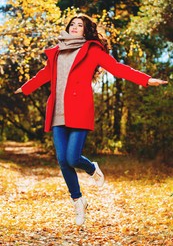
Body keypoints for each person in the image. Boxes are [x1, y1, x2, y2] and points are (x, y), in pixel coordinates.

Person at [14, 14, 168, 226]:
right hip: (58, 112)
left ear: (86, 31)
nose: (75, 27)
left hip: (79, 110)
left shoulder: (92, 50)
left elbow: (117, 68)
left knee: (73, 158)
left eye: (80, 25)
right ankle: (78, 201)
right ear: (68, 28)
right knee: (62, 161)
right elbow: (45, 74)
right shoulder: (58, 52)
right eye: (72, 24)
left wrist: (146, 79)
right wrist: (26, 88)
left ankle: (91, 167)